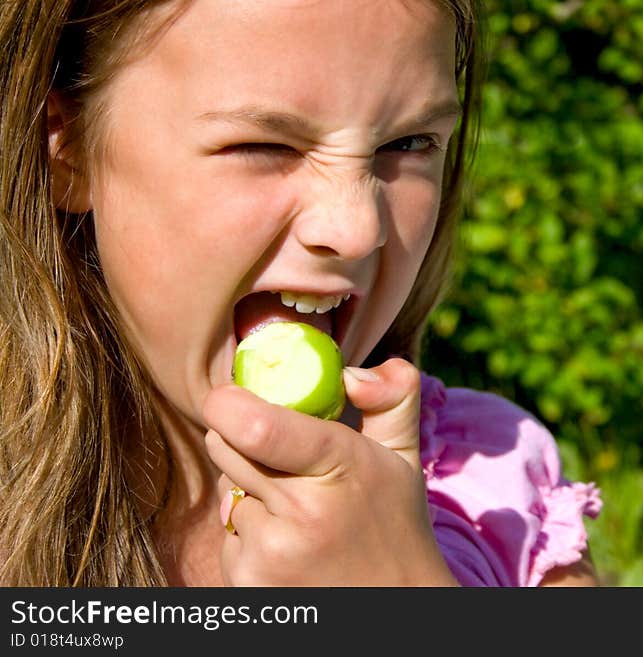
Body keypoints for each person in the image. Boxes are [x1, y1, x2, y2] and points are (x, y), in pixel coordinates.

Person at [0, 0, 602, 586]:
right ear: (66, 149)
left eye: (409, 144)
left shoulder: (497, 489)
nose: (357, 230)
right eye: (264, 146)